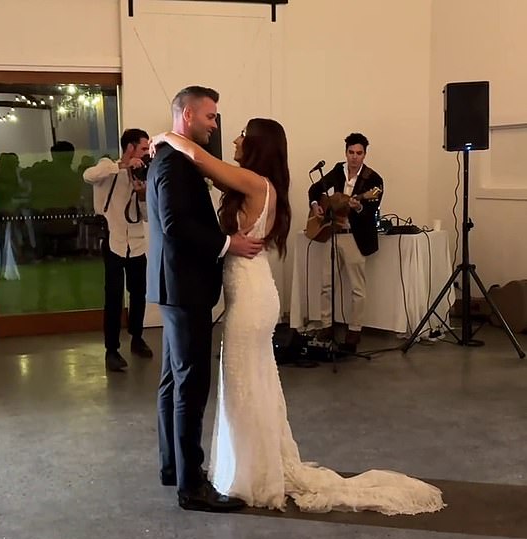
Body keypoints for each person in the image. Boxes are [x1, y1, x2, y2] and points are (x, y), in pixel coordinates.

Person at [151, 120, 444, 515]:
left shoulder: (255, 183)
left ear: (257, 145)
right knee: (248, 385)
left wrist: (169, 136)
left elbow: (201, 160)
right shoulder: (251, 183)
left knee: (244, 385)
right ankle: (252, 466)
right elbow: (206, 171)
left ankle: (253, 474)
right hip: (248, 293)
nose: (234, 138)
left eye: (241, 134)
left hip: (251, 298)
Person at [146, 86, 264, 512]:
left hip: (174, 285)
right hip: (185, 287)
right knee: (190, 385)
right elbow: (177, 225)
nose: (216, 125)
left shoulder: (174, 159)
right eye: (211, 117)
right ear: (189, 114)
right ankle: (191, 485)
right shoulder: (176, 165)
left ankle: (172, 467)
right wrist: (226, 243)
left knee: (172, 381)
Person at [84, 129, 154, 372]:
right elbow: (88, 175)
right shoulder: (107, 166)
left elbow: (146, 217)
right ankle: (111, 350)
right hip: (113, 242)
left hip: (136, 244)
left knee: (139, 294)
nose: (147, 154)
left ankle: (137, 337)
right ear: (130, 147)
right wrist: (123, 166)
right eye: (144, 149)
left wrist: (143, 194)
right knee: (113, 298)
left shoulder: (144, 175)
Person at [307, 133, 384, 352]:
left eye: (359, 153)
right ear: (346, 152)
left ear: (365, 154)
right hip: (332, 233)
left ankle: (355, 330)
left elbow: (371, 208)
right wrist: (315, 205)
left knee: (357, 287)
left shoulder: (373, 180)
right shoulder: (337, 171)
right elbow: (316, 189)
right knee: (326, 283)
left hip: (354, 237)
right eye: (351, 152)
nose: (354, 157)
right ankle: (326, 325)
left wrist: (358, 206)